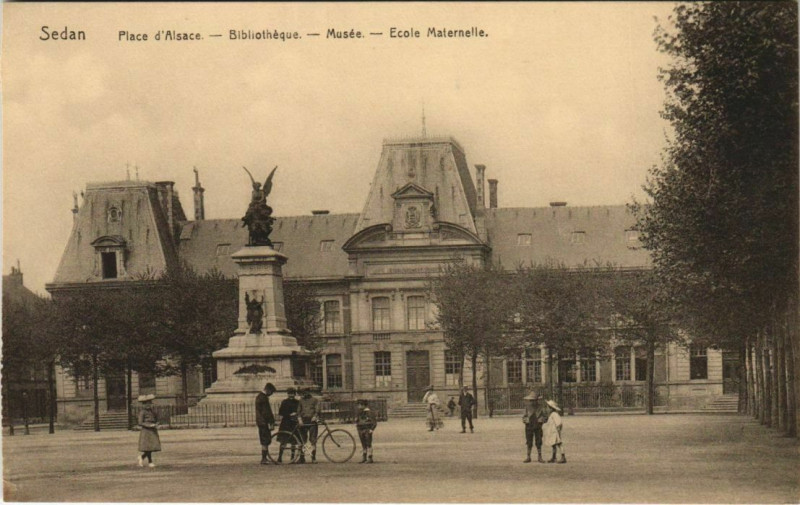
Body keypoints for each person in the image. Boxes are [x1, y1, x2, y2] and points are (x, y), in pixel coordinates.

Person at [522, 392, 548, 463]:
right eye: (531, 400)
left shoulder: (541, 407)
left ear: (536, 400)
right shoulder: (527, 407)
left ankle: (540, 457)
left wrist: (541, 420)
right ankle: (528, 456)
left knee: (539, 441)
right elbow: (524, 417)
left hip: (538, 426)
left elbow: (545, 417)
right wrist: (526, 420)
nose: (532, 402)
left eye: (533, 400)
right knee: (529, 441)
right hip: (529, 426)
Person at [296, 387, 320, 463]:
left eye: (306, 392)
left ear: (309, 392)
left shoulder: (315, 400)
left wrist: (315, 416)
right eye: (304, 392)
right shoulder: (301, 401)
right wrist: (299, 419)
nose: (305, 394)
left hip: (312, 422)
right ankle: (301, 458)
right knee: (302, 440)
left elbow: (317, 410)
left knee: (313, 440)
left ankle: (313, 458)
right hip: (303, 421)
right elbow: (298, 411)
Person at [277, 387, 300, 463]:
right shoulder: (284, 402)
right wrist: (289, 414)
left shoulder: (297, 402)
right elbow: (281, 412)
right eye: (290, 393)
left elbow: (299, 411)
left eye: (293, 393)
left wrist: (296, 414)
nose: (291, 395)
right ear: (287, 394)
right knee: (283, 441)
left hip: (294, 423)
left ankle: (292, 458)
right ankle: (279, 457)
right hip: (286, 423)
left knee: (294, 442)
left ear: (295, 394)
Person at [137, 394, 161, 468]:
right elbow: (140, 422)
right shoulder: (142, 412)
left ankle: (142, 457)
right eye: (147, 403)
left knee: (152, 446)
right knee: (148, 447)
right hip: (146, 431)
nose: (149, 405)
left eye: (149, 403)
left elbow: (156, 419)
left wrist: (156, 423)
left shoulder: (152, 411)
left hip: (153, 430)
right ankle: (149, 461)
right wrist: (149, 425)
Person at [255, 382, 276, 465]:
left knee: (265, 440)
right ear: (268, 390)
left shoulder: (259, 397)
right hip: (263, 422)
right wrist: (271, 421)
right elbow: (266, 412)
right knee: (265, 440)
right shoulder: (263, 398)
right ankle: (263, 459)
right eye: (271, 392)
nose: (271, 394)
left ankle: (265, 458)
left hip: (261, 421)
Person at [543, 399, 566, 464]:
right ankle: (554, 457)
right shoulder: (551, 415)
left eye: (547, 407)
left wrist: (558, 431)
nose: (547, 409)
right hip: (552, 432)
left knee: (559, 444)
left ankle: (563, 457)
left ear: (551, 408)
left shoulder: (554, 414)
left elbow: (559, 423)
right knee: (553, 445)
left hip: (555, 432)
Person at [355, 399, 377, 463]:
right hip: (360, 429)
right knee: (363, 444)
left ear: (363, 405)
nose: (358, 407)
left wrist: (372, 429)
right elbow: (357, 420)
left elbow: (374, 422)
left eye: (359, 405)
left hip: (367, 429)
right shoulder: (360, 412)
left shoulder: (369, 412)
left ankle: (370, 457)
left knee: (368, 443)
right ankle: (364, 457)